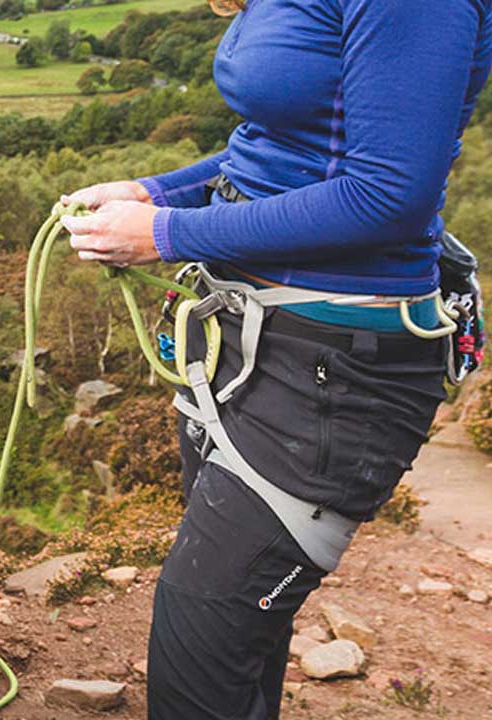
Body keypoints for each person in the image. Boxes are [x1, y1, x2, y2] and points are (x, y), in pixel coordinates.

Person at [61, 0, 491, 717]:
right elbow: (277, 141)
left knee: (198, 650)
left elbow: (389, 194)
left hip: (335, 371)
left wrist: (168, 232)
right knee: (235, 645)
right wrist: (154, 193)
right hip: (244, 339)